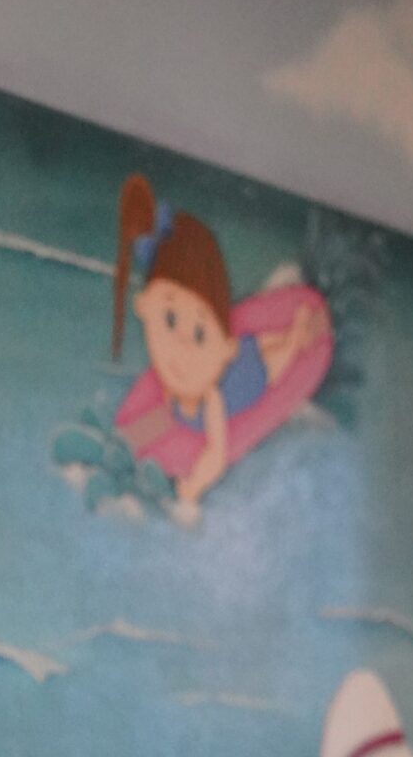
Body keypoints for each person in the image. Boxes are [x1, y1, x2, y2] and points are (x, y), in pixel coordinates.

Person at [112, 173, 325, 510]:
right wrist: (130, 439)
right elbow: (165, 415)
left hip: (252, 377)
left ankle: (299, 333)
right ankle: (291, 332)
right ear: (145, 306)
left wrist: (192, 488)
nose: (181, 345)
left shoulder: (210, 399)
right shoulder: (174, 386)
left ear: (222, 342)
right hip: (230, 356)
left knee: (281, 352)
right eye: (169, 320)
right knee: (259, 345)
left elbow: (216, 452)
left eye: (197, 333)